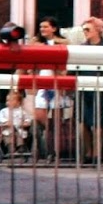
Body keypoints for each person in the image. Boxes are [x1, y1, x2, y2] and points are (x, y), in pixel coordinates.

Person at [76, 16, 103, 165]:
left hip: (101, 88)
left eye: (88, 29)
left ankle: (98, 153)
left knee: (99, 122)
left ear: (98, 30)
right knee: (83, 123)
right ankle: (88, 151)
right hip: (84, 88)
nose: (85, 32)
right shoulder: (81, 48)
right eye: (84, 30)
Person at [32, 16, 69, 160]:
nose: (42, 29)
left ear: (54, 28)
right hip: (41, 79)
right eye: (41, 27)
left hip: (57, 81)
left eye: (46, 26)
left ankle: (53, 150)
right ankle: (48, 136)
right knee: (39, 114)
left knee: (56, 116)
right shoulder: (36, 43)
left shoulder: (63, 42)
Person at [0, 90, 33, 160]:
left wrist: (26, 122)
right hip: (7, 130)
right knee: (9, 137)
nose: (8, 102)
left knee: (19, 137)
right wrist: (5, 122)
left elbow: (28, 118)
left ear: (18, 102)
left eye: (11, 101)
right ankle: (10, 149)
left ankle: (21, 148)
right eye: (7, 101)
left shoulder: (22, 111)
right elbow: (0, 118)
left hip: (19, 130)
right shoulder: (4, 111)